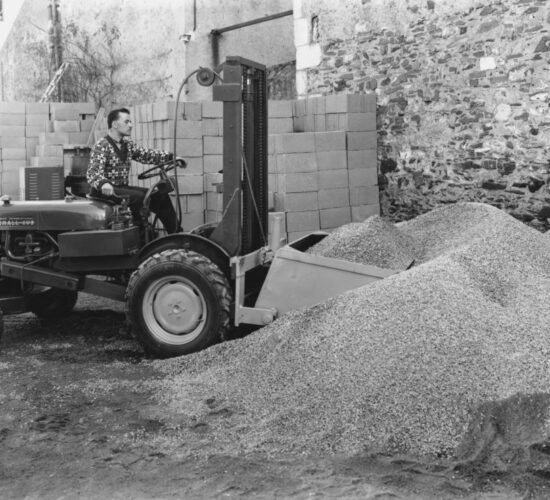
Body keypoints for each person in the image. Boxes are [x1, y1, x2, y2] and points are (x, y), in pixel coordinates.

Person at [87, 107, 184, 233]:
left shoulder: (127, 145)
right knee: (139, 197)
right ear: (115, 124)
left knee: (159, 195)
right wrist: (103, 183)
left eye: (130, 122)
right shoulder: (101, 145)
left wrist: (172, 158)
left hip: (121, 188)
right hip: (104, 192)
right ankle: (141, 233)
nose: (131, 125)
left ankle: (176, 234)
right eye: (127, 122)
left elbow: (147, 155)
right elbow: (92, 172)